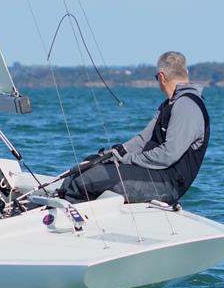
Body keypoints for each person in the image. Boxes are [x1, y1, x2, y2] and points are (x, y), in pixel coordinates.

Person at [58, 51, 210, 205]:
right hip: (152, 173)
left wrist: (127, 159)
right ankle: (52, 202)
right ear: (186, 73)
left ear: (161, 77)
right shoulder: (169, 104)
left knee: (87, 179)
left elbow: (168, 154)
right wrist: (114, 154)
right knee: (85, 167)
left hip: (166, 184)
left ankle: (71, 218)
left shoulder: (187, 106)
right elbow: (144, 140)